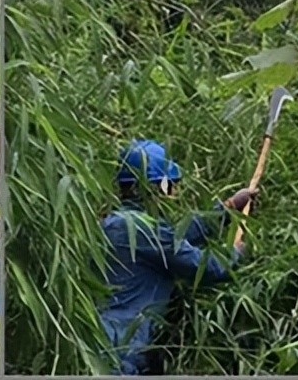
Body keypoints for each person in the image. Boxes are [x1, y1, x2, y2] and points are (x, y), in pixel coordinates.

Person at [98, 139, 256, 375]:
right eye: (172, 184)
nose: (175, 191)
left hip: (100, 346)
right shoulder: (145, 231)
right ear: (158, 186)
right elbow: (210, 269)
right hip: (122, 354)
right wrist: (237, 250)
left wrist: (228, 207)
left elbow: (175, 239)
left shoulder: (114, 223)